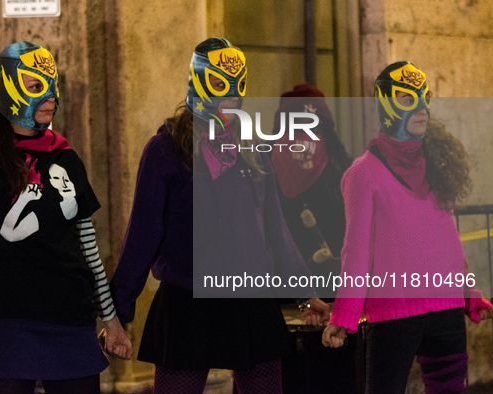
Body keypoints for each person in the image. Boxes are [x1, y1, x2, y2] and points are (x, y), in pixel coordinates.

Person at [106, 37, 330, 394]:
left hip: (250, 299)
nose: (231, 98)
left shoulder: (253, 148)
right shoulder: (164, 150)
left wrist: (304, 293)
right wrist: (115, 311)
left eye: (237, 88)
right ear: (198, 82)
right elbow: (143, 235)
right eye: (219, 85)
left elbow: (275, 229)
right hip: (187, 299)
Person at [0, 42, 132, 394]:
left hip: (72, 322)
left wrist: (111, 321)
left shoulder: (66, 158)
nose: (50, 97)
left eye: (52, 86)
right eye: (37, 87)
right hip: (9, 323)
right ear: (9, 90)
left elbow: (87, 250)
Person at [322, 61, 493, 394]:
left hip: (445, 311)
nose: (420, 106)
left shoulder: (436, 165)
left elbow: (449, 241)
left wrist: (468, 293)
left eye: (424, 96)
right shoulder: (362, 174)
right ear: (384, 102)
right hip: (393, 316)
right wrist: (344, 315)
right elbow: (356, 253)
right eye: (406, 97)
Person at [270, 85, 353, 299]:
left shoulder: (261, 170)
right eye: (295, 129)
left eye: (312, 128)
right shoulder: (345, 171)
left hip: (328, 290)